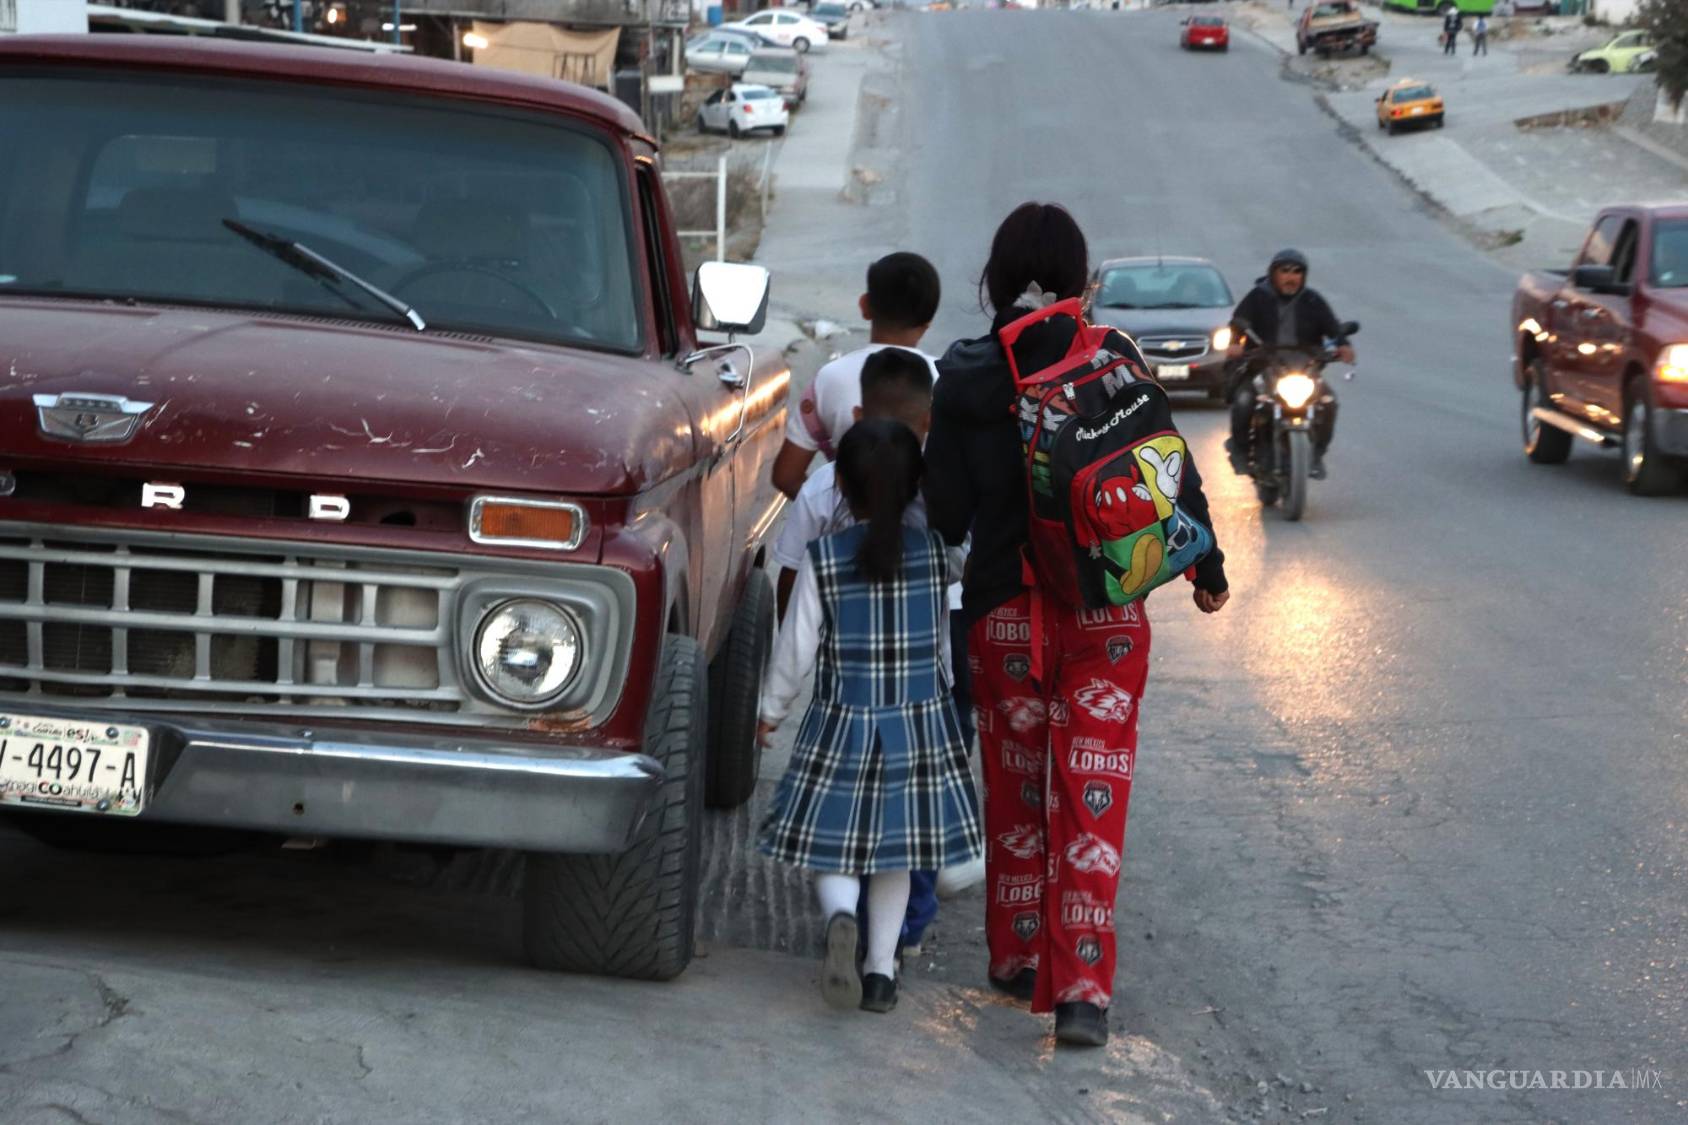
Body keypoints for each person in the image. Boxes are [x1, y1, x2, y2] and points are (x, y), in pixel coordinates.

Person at [922, 202, 1231, 1048]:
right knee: (1093, 793)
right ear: (1079, 278)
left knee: (1019, 791)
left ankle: (1018, 953)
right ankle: (1084, 991)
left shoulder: (968, 372)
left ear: (994, 275)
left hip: (1004, 615)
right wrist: (1207, 567)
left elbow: (946, 516)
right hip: (1106, 613)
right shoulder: (1115, 356)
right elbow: (1169, 470)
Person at [757, 419, 985, 1015]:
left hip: (843, 724)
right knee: (897, 855)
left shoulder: (824, 561)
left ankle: (839, 919)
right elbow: (943, 636)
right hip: (918, 726)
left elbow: (796, 648)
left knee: (835, 850)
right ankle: (881, 973)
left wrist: (769, 711)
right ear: (918, 487)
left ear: (842, 491)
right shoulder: (938, 556)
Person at [770, 252, 942, 500]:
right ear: (929, 321)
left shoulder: (829, 378)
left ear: (864, 306)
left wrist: (831, 513)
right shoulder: (946, 378)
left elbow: (786, 476)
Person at [1224, 248, 1355, 479]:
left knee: (1329, 402)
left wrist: (1343, 345)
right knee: (1244, 400)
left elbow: (1332, 327)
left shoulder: (1312, 300)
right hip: (1265, 364)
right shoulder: (1259, 296)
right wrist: (1235, 343)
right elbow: (1238, 322)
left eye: (1296, 272)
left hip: (1303, 367)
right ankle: (1240, 451)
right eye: (1285, 271)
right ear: (1274, 273)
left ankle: (1315, 454)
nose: (1290, 277)